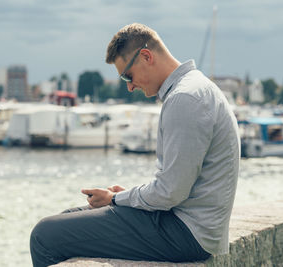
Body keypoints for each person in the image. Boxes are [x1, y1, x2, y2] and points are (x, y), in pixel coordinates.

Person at [30, 23, 240, 267]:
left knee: (44, 236)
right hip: (188, 224)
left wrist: (116, 199)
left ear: (146, 56)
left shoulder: (185, 98)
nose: (129, 86)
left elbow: (170, 193)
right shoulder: (195, 87)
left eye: (127, 76)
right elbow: (175, 187)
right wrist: (124, 197)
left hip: (186, 233)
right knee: (66, 219)